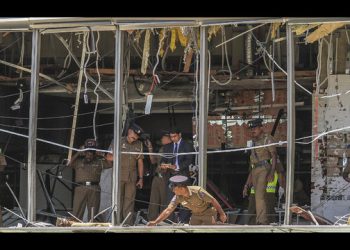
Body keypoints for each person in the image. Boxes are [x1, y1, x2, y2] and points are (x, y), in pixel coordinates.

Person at [147, 175, 227, 226]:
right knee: (192, 230)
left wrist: (222, 214)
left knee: (211, 230)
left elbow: (213, 200)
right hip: (195, 215)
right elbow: (168, 210)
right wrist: (156, 222)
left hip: (208, 213)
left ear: (181, 188)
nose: (173, 191)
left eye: (174, 189)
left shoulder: (198, 191)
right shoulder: (177, 197)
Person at [106, 123, 144, 225]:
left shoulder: (139, 144)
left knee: (129, 201)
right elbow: (108, 157)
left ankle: (127, 223)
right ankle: (117, 222)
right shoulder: (117, 141)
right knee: (118, 200)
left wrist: (141, 178)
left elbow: (140, 162)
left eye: (137, 136)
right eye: (133, 135)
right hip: (119, 176)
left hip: (132, 177)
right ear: (129, 132)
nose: (135, 138)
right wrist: (121, 155)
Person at [67, 138, 111, 221]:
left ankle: (91, 228)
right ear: (84, 152)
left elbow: (110, 164)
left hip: (94, 188)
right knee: (77, 212)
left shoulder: (98, 161)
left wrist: (101, 154)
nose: (89, 155)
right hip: (80, 187)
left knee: (93, 213)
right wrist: (78, 153)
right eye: (87, 152)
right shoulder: (78, 161)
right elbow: (69, 164)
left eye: (91, 152)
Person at [247, 118, 277, 225]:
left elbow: (274, 156)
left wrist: (272, 172)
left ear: (261, 128)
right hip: (255, 169)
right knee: (257, 196)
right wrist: (248, 180)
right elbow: (252, 160)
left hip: (264, 168)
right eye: (251, 128)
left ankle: (262, 221)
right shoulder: (254, 141)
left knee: (260, 195)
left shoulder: (267, 139)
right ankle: (259, 219)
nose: (252, 130)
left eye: (255, 128)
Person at [160, 127, 193, 223]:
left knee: (185, 199)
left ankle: (183, 221)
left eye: (174, 136)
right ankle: (169, 221)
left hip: (183, 175)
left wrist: (177, 166)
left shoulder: (187, 145)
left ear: (180, 134)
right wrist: (164, 165)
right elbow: (163, 160)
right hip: (171, 176)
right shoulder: (168, 147)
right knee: (170, 200)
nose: (173, 138)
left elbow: (189, 160)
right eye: (171, 137)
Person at [147, 133, 173, 221]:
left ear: (169, 139)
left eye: (163, 137)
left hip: (165, 176)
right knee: (153, 199)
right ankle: (152, 219)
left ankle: (164, 220)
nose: (161, 139)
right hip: (157, 176)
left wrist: (165, 166)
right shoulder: (162, 148)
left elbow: (172, 164)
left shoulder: (172, 149)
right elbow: (153, 161)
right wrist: (150, 148)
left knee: (164, 200)